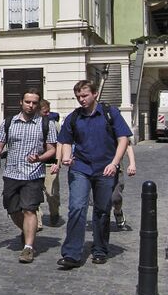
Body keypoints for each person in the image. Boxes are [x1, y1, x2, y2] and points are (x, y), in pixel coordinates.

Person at [54, 80, 132, 269]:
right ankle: (72, 254)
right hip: (80, 167)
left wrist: (115, 163)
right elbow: (65, 140)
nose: (81, 99)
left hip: (106, 168)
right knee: (76, 207)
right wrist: (66, 157)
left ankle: (100, 250)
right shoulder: (74, 117)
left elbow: (123, 139)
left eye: (85, 95)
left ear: (95, 94)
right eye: (78, 97)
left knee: (102, 210)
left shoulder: (110, 113)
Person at [0, 91, 57, 263]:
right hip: (11, 173)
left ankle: (28, 248)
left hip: (33, 173)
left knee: (29, 209)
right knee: (13, 209)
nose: (30, 105)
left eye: (34, 102)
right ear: (21, 102)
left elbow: (52, 149)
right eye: (27, 102)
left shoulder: (46, 124)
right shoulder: (9, 122)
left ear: (38, 104)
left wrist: (40, 158)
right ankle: (27, 230)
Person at [36, 99, 61, 228]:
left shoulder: (53, 124)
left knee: (51, 193)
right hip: (34, 165)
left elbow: (60, 145)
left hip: (50, 164)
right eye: (45, 112)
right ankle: (37, 222)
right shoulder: (30, 124)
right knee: (33, 194)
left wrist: (58, 161)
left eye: (48, 112)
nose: (48, 114)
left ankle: (54, 212)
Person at [112, 142, 136, 229]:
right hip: (98, 168)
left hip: (117, 169)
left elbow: (127, 145)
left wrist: (132, 164)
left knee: (116, 198)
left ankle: (118, 211)